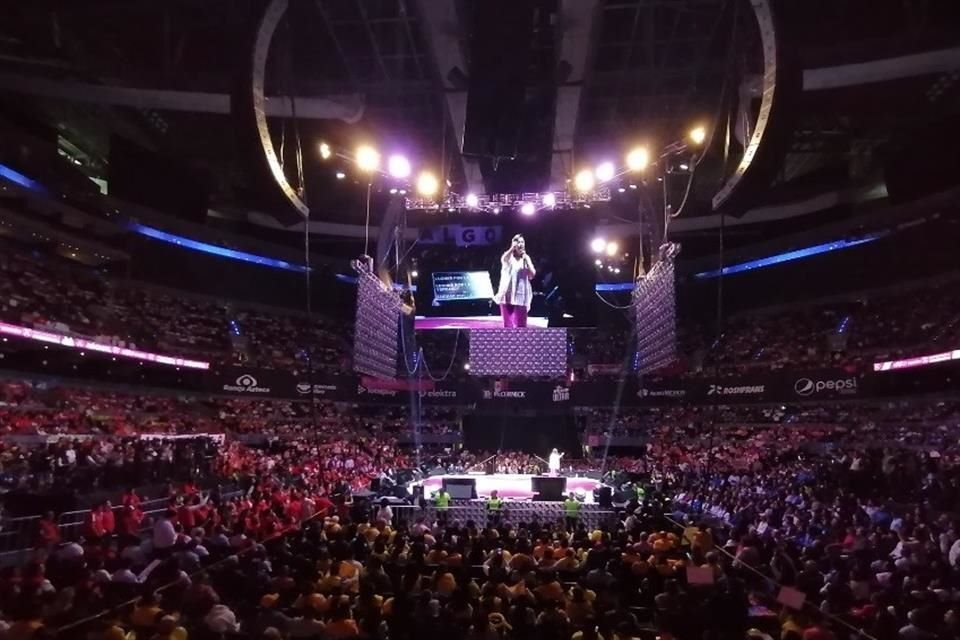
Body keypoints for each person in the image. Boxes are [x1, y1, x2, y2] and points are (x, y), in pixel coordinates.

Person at [493, 234, 535, 328]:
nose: (521, 244)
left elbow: (532, 275)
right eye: (518, 242)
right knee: (508, 326)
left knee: (521, 327)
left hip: (521, 297)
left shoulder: (526, 259)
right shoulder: (508, 258)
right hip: (507, 296)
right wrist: (512, 248)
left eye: (522, 242)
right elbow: (504, 259)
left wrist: (527, 260)